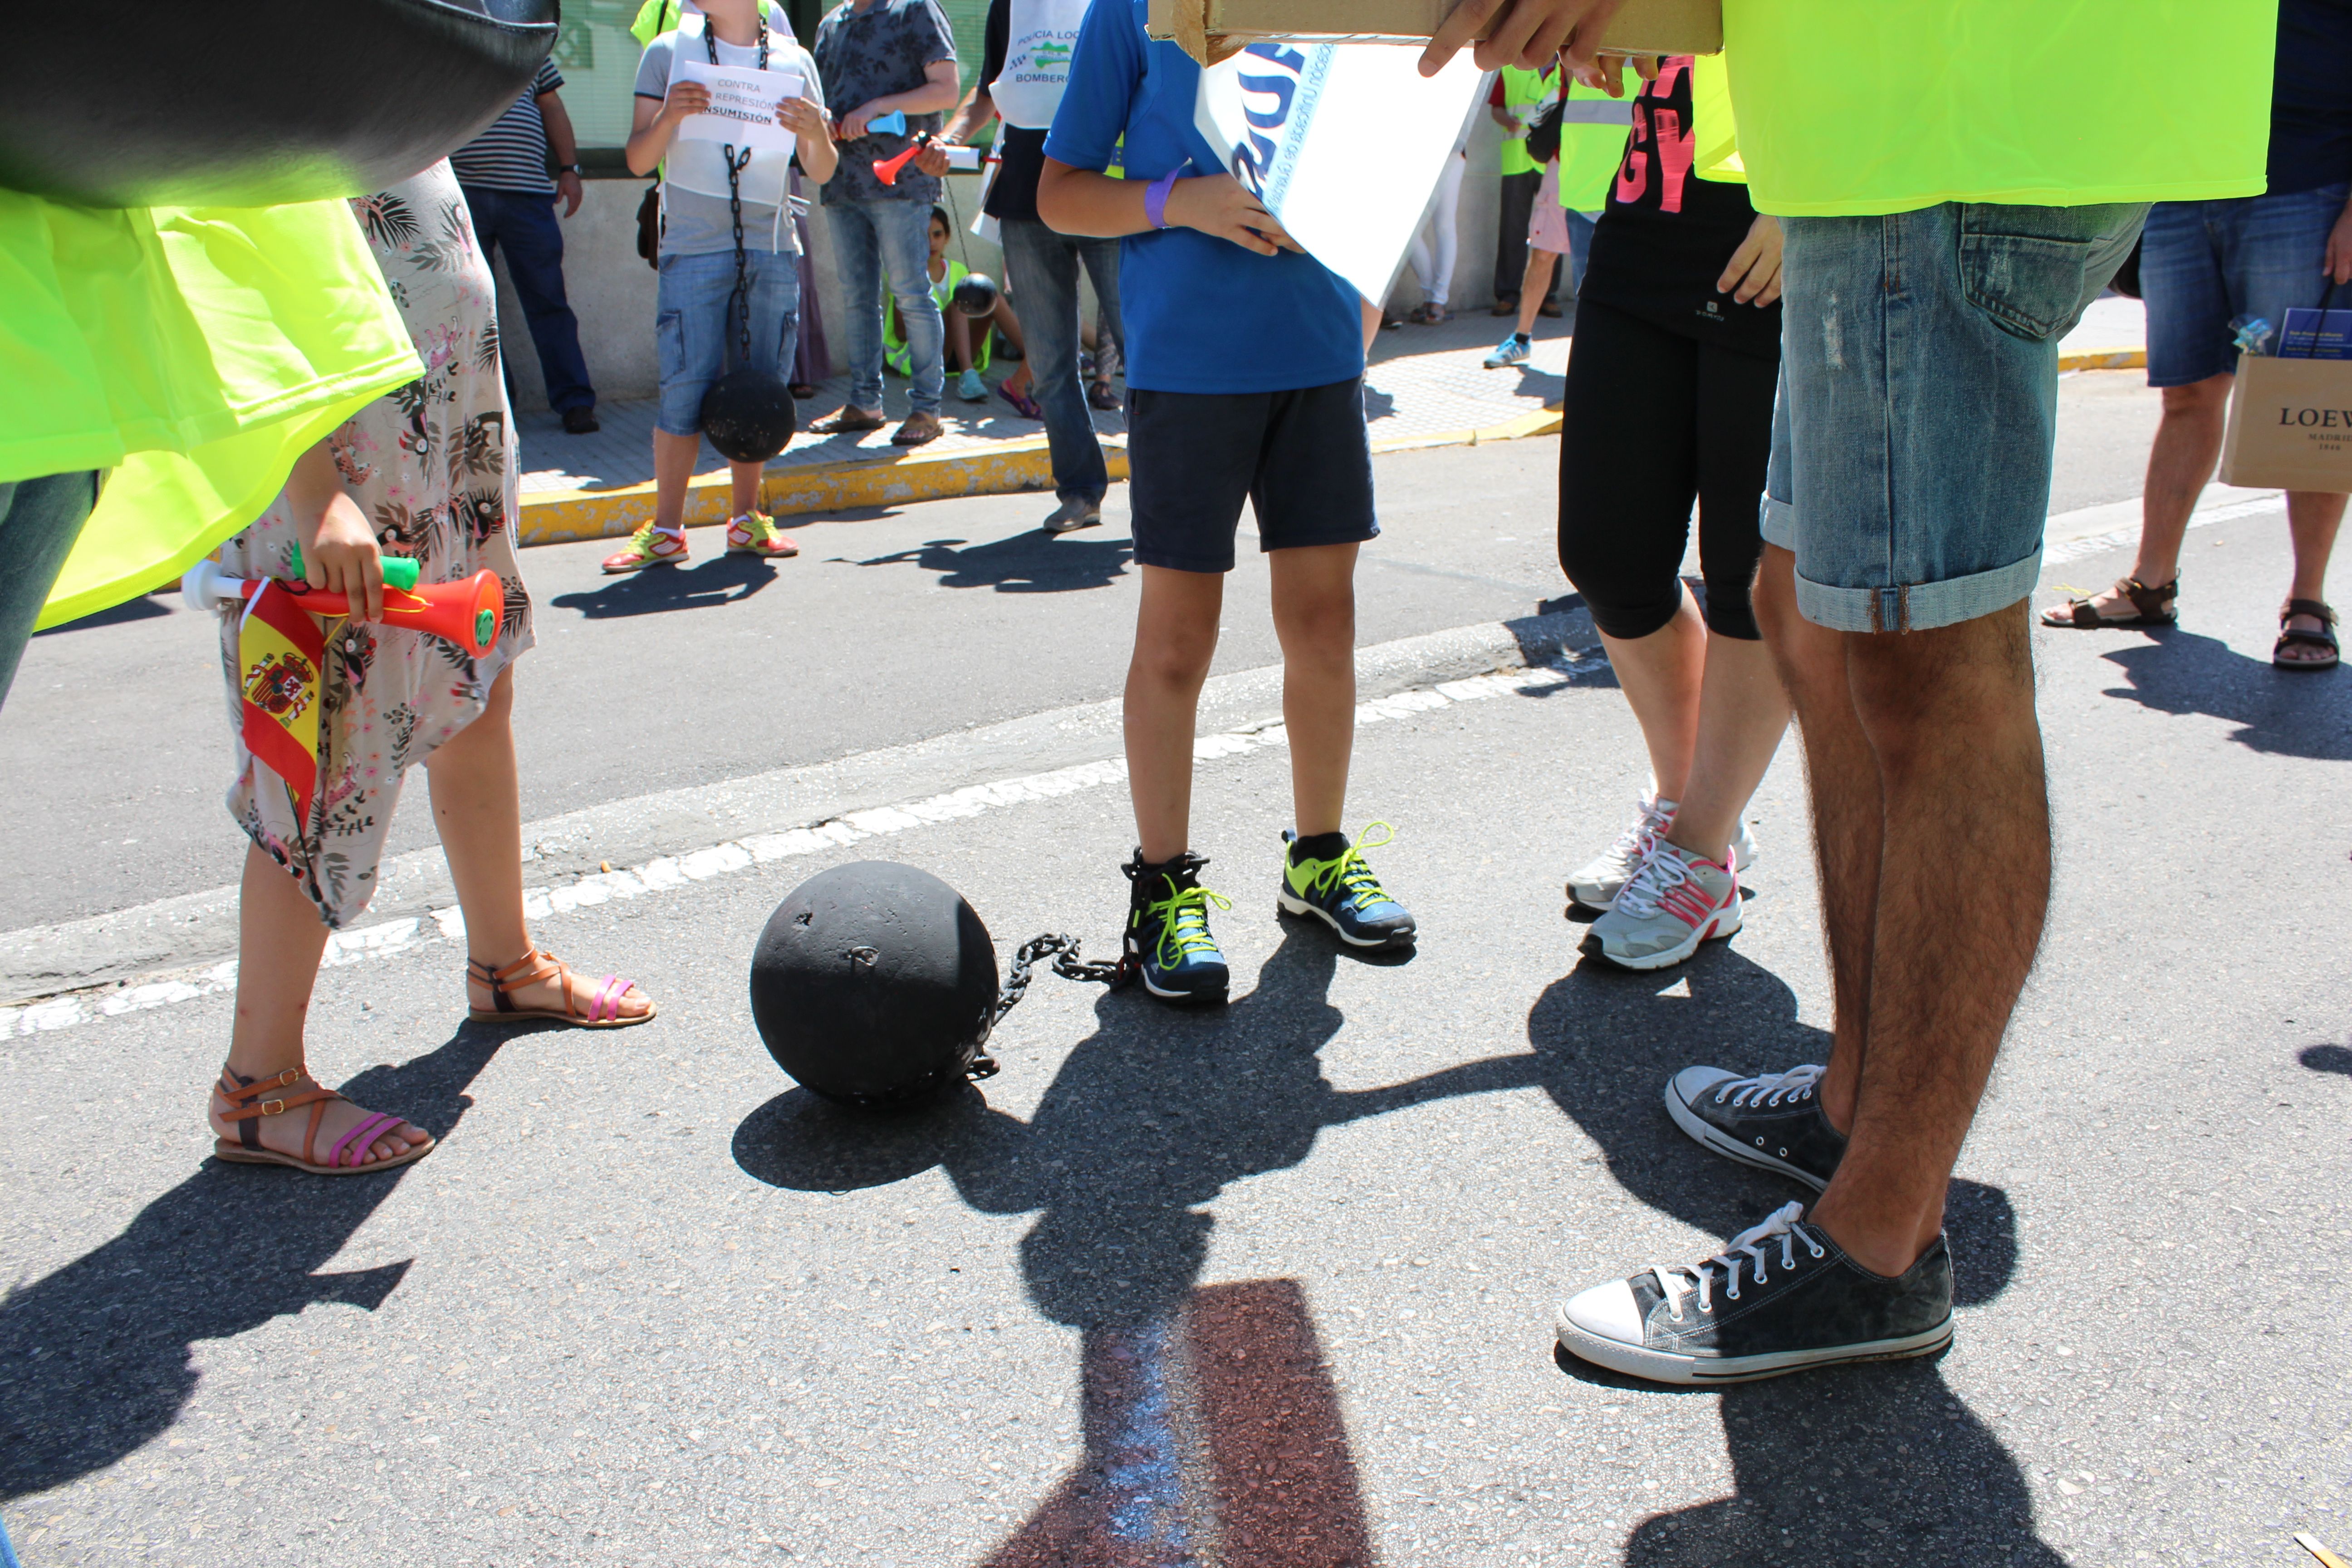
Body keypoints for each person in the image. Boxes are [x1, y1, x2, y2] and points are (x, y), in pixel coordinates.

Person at [1423, 0, 2268, 1383]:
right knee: (1804, 614)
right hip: (1865, 119)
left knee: (1934, 669)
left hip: (1950, 108)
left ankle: (1879, 1243)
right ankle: (1857, 1109)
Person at [205, 162, 655, 1176]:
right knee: (314, 775)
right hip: (337, 513)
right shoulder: (260, 103)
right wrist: (317, 497)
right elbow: (235, 317)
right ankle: (257, 1085)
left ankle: (505, 966)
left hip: (443, 481)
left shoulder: (397, 95)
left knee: (480, 697)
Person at [1038, 0, 1418, 1004]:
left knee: (1325, 622)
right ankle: (1163, 889)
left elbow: (1391, 147)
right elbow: (1062, 195)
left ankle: (1319, 858)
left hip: (1319, 356)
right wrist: (1179, 199)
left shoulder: (1345, 9)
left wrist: (1366, 293)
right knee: (1176, 642)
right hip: (1189, 368)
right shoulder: (1130, 10)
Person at [1555, 53, 1788, 971]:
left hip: (1780, 212)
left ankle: (1701, 851)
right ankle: (1692, 803)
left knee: (1746, 573)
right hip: (1648, 199)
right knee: (1608, 555)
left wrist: (1817, 194)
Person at [2042, 0, 2350, 672]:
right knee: (2186, 394)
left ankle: (2308, 601)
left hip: (2305, 183)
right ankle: (2151, 585)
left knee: (2305, 398)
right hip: (2182, 184)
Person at [602, 0, 838, 575]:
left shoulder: (794, 59)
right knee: (683, 387)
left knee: (760, 389)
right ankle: (667, 530)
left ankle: (747, 520)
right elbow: (637, 160)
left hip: (774, 247)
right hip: (692, 246)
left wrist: (815, 134)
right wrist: (667, 120)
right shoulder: (666, 52)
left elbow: (824, 168)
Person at [932, 0, 1124, 532]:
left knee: (1144, 350)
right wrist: (950, 138)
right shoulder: (1010, 3)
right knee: (1048, 361)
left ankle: (1167, 490)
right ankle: (1081, 492)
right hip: (1025, 197)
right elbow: (990, 92)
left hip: (1110, 188)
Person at [807, 0, 961, 449]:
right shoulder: (831, 24)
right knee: (858, 297)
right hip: (842, 180)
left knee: (911, 293)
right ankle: (865, 403)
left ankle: (928, 408)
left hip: (903, 181)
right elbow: (822, 100)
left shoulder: (916, 8)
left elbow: (946, 90)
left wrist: (877, 106)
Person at [449, 57, 601, 435]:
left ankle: (576, 402)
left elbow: (551, 105)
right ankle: (496, 409)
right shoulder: (443, 35)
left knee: (549, 301)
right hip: (460, 195)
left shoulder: (526, 39)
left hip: (529, 196)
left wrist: (570, 170)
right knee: (476, 308)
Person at [1484, 72, 1627, 368]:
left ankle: (1601, 356)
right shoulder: (1571, 59)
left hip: (1623, 179)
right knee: (1543, 253)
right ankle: (1521, 339)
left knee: (1602, 272)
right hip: (1567, 171)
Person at [884, 204, 1037, 407]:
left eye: (937, 235)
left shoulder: (958, 269)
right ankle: (968, 377)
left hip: (959, 350)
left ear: (947, 238)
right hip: (924, 357)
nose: (931, 242)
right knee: (961, 301)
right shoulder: (906, 274)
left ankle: (1038, 365)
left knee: (993, 297)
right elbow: (902, 334)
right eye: (923, 236)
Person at [1489, 62, 1561, 318]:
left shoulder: (1568, 69)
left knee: (1553, 231)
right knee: (1512, 228)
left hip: (1552, 161)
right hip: (1517, 160)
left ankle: (1548, 296)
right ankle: (1507, 294)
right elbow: (1496, 108)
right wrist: (1507, 120)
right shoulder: (1510, 68)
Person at [1404, 118, 1471, 324]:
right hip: (1418, 148)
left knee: (1444, 226)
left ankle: (1437, 301)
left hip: (1451, 148)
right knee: (1408, 231)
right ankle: (1432, 296)